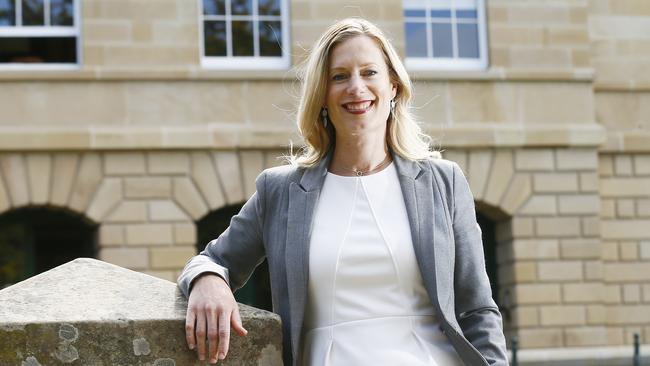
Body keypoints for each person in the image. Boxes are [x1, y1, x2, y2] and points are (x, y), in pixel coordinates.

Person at [178, 17, 508, 366]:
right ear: (322, 95)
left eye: (369, 73)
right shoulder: (281, 191)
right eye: (339, 76)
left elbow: (477, 309)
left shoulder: (444, 181)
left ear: (393, 86)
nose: (356, 87)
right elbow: (211, 260)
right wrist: (208, 279)